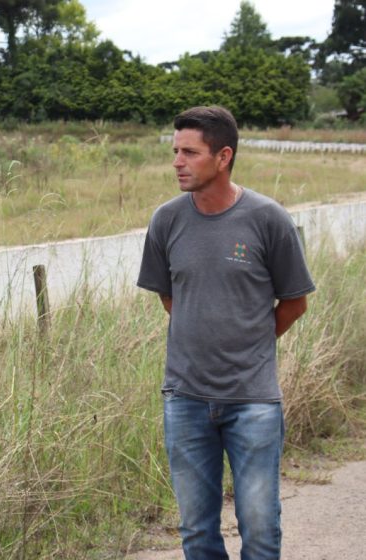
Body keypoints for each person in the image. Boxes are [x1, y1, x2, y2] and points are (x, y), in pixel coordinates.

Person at [137, 105, 315, 559]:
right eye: (175, 151)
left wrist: (249, 341)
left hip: (253, 399)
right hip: (185, 398)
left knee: (259, 527)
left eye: (190, 152)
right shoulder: (166, 220)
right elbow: (171, 298)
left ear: (223, 157)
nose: (177, 161)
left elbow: (295, 301)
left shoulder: (268, 219)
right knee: (196, 530)